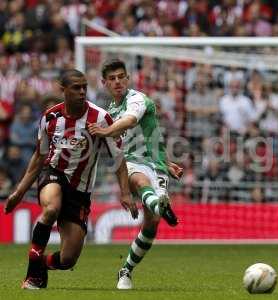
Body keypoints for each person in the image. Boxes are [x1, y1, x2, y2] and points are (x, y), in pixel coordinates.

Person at [4, 69, 138, 289]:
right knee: (50, 209)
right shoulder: (50, 118)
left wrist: (125, 192)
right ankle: (33, 274)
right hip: (53, 173)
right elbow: (38, 159)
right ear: (63, 89)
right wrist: (19, 193)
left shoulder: (101, 118)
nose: (82, 91)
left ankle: (42, 265)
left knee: (67, 260)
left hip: (80, 191)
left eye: (84, 86)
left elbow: (118, 159)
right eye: (76, 87)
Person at [87, 59, 182, 290]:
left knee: (151, 225)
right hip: (131, 163)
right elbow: (117, 147)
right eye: (112, 78)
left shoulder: (137, 99)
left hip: (155, 163)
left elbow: (129, 122)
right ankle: (161, 205)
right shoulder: (109, 111)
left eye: (121, 77)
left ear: (127, 79)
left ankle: (126, 269)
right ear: (105, 83)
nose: (117, 81)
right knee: (140, 181)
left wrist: (165, 162)